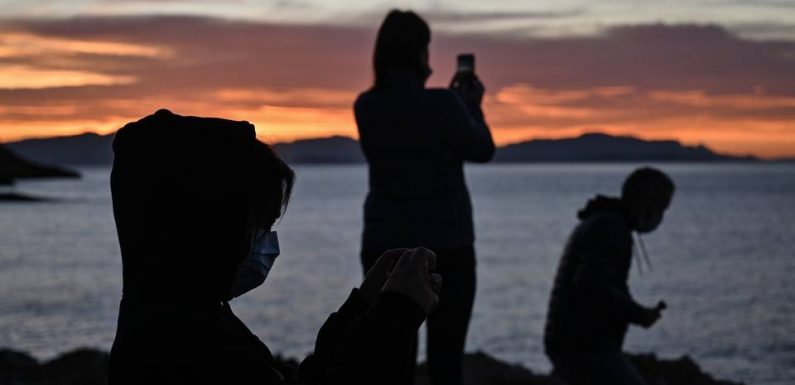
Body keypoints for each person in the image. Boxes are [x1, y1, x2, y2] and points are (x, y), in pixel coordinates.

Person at [107, 109, 442, 385]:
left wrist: (363, 308)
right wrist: (394, 316)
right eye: (257, 225)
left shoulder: (188, 313)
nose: (266, 241)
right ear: (209, 228)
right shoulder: (180, 345)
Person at [354, 9, 495, 385]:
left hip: (384, 246)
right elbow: (481, 149)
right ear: (420, 52)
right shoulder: (444, 105)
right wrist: (472, 107)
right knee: (446, 361)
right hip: (448, 246)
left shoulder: (366, 106)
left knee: (390, 361)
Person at [543, 167, 675, 385]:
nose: (660, 216)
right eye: (662, 207)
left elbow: (607, 283)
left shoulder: (604, 222)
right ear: (647, 203)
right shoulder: (612, 229)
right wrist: (638, 314)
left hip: (575, 341)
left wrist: (637, 311)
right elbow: (592, 284)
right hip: (584, 345)